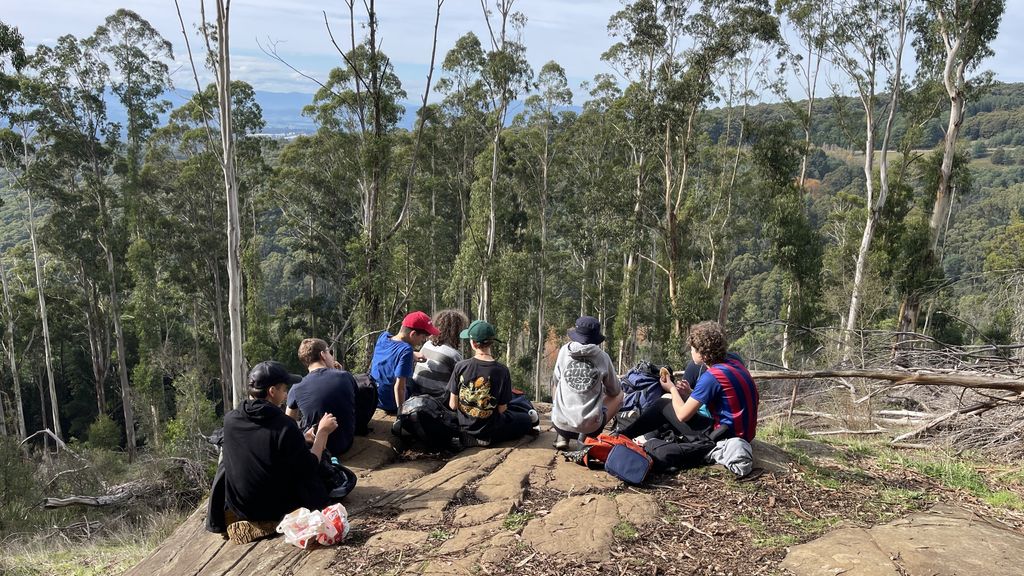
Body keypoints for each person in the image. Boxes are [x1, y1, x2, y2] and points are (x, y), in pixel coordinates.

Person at [220, 361, 338, 544]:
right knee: (318, 477)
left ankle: (252, 520)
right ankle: (270, 522)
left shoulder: (231, 419)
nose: (286, 394)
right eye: (284, 389)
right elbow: (310, 467)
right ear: (272, 391)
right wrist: (322, 432)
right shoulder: (284, 424)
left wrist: (300, 439)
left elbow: (263, 445)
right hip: (274, 507)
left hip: (240, 505)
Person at [620, 321, 759, 442]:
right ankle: (634, 436)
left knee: (663, 404)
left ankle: (624, 436)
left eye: (692, 349)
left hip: (723, 436)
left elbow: (682, 415)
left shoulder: (712, 376)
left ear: (703, 354)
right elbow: (722, 400)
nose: (691, 352)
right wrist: (690, 393)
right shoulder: (734, 362)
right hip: (743, 433)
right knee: (670, 405)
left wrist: (671, 388)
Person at [447, 320, 537, 447]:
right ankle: (485, 438)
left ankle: (471, 437)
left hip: (465, 427)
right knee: (526, 420)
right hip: (491, 429)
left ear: (473, 343)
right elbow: (502, 409)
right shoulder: (502, 370)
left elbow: (453, 405)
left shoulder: (460, 366)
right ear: (492, 342)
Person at [549, 316, 624, 450]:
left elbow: (556, 380)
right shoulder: (603, 357)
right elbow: (614, 391)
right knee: (620, 395)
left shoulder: (564, 351)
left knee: (556, 382)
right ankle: (585, 437)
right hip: (591, 427)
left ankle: (562, 436)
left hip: (560, 424)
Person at [287, 338, 371, 456]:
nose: (332, 356)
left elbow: (288, 422)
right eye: (329, 352)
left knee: (300, 422)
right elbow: (355, 401)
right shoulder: (345, 376)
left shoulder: (296, 387)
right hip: (345, 444)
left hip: (316, 446)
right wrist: (340, 372)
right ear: (323, 355)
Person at [370, 311, 439, 414]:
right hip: (390, 403)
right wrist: (401, 413)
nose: (422, 341)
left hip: (375, 397)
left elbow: (392, 352)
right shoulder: (406, 350)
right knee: (414, 383)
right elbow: (399, 388)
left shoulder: (383, 337)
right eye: (423, 338)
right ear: (413, 334)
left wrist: (413, 355)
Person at [411, 309, 468, 401]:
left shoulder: (427, 345)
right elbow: (462, 383)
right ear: (457, 331)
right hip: (438, 401)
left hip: (416, 395)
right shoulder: (453, 355)